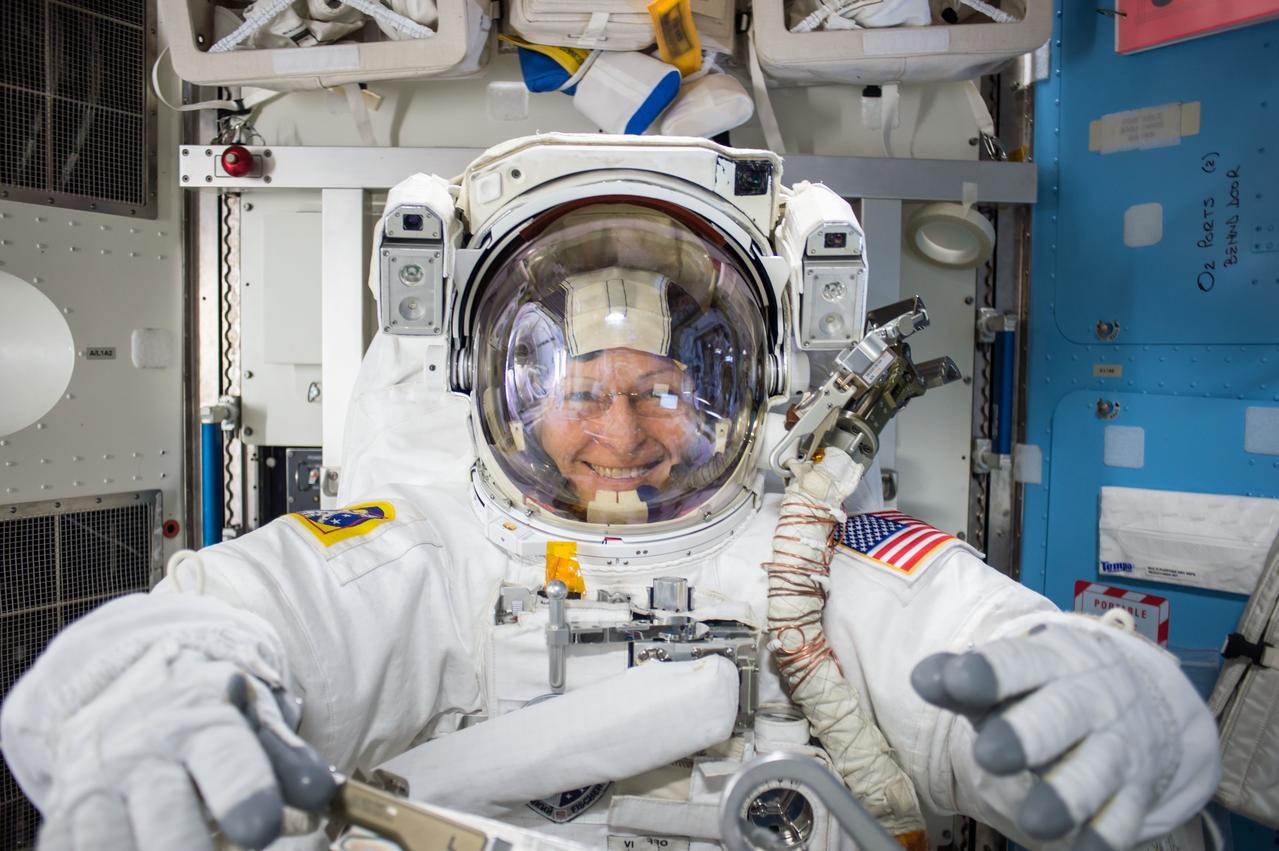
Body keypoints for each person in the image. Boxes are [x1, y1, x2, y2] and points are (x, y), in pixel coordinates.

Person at [1, 142, 1220, 851]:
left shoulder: (804, 547)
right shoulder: (433, 545)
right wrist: (149, 682)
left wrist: (1084, 695)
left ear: (750, 386)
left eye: (667, 388)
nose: (622, 435)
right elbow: (262, 613)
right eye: (582, 390)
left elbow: (960, 639)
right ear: (497, 390)